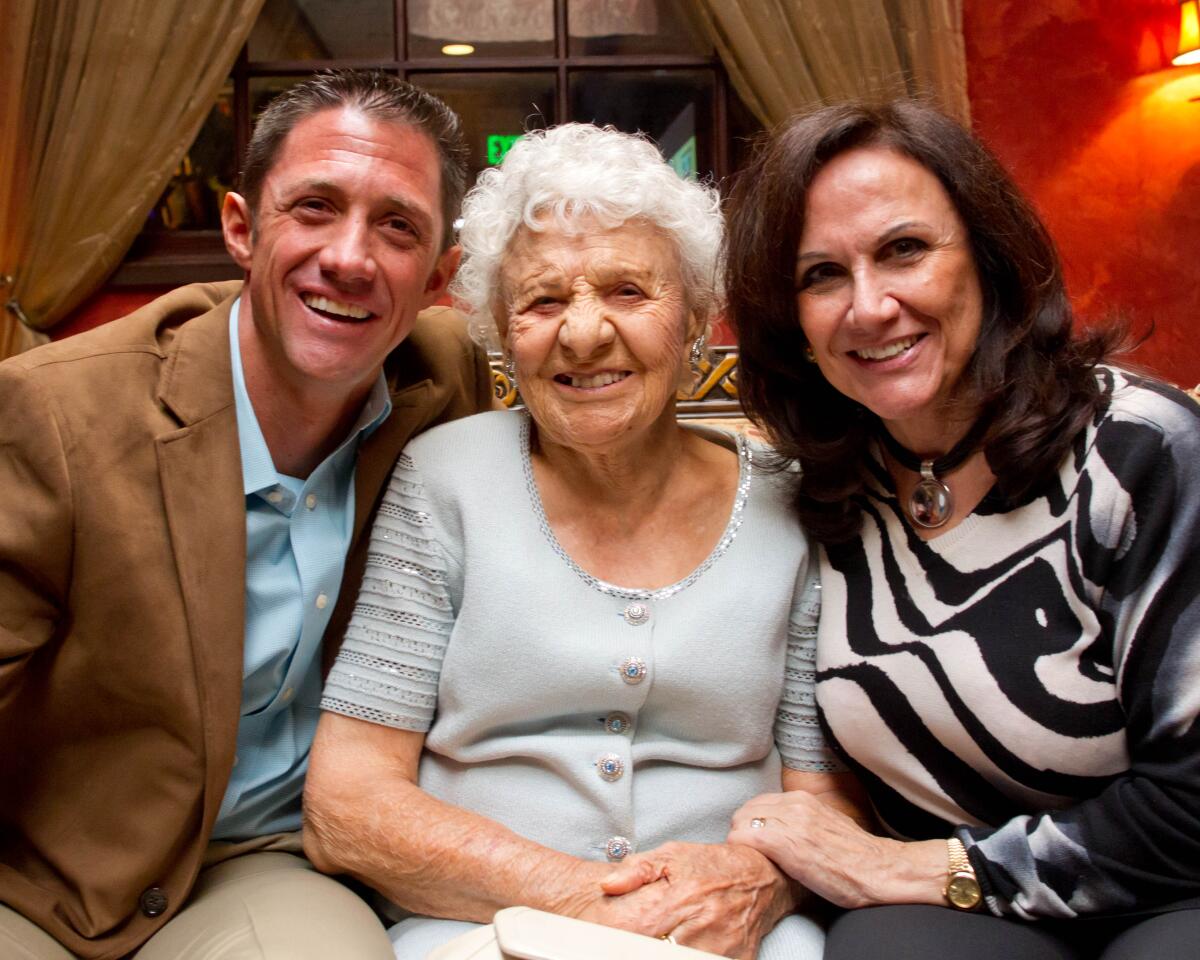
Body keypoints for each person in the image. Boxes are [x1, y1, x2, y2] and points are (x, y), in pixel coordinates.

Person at [302, 123, 855, 960]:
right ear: (498, 327)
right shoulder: (443, 481)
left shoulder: (791, 499)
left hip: (734, 930)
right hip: (481, 923)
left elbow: (825, 796)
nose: (585, 334)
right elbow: (346, 804)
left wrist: (759, 883)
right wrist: (589, 906)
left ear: (698, 316)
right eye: (545, 300)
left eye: (629, 292)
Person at [0, 70, 495, 960]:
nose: (350, 257)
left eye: (398, 227)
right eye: (313, 207)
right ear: (241, 227)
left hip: (266, 863)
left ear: (438, 278)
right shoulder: (58, 416)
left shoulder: (446, 382)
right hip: (46, 875)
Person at [720, 99, 1200, 959]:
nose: (870, 306)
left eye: (904, 249)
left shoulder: (1142, 454)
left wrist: (930, 870)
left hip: (1166, 888)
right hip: (951, 918)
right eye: (821, 275)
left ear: (988, 257)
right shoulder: (827, 485)